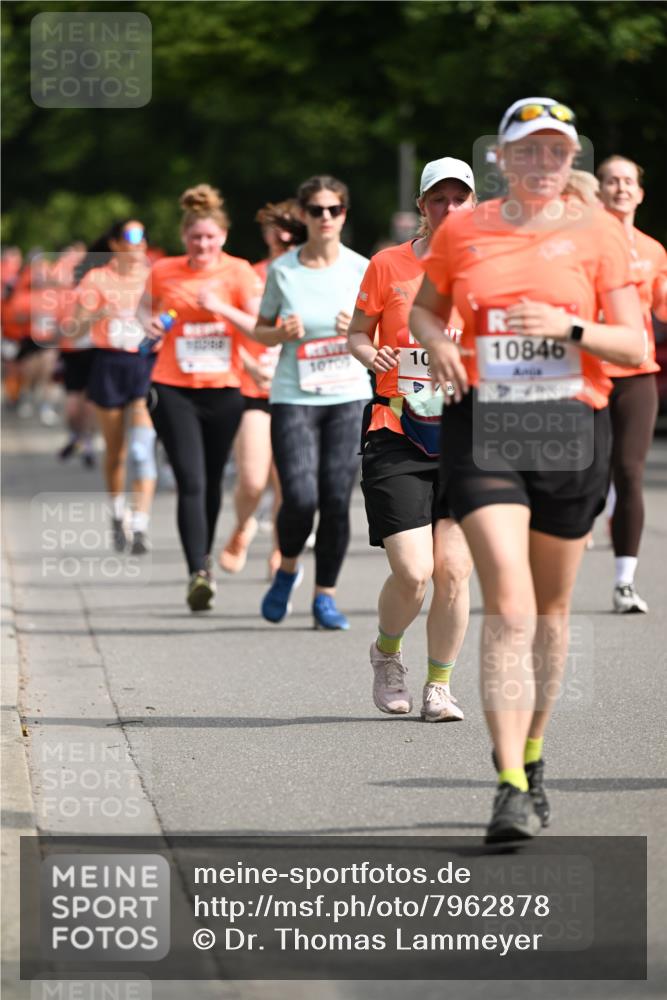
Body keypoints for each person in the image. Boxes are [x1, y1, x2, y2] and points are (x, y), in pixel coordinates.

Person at [410, 98, 644, 842]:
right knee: (507, 608)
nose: (543, 164)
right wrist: (439, 345)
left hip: (571, 428)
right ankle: (508, 782)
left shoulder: (599, 234)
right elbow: (423, 309)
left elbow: (633, 345)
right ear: (501, 159)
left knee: (549, 612)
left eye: (556, 151)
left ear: (569, 159)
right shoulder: (463, 229)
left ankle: (534, 753)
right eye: (528, 151)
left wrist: (568, 328)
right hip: (485, 424)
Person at [348, 158, 475, 722]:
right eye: (438, 199)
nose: (449, 208)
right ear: (422, 206)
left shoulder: (488, 268)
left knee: (453, 571)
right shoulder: (388, 264)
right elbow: (356, 333)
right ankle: (387, 651)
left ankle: (439, 687)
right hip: (397, 429)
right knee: (414, 571)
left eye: (459, 198)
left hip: (467, 434)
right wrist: (364, 351)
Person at [253, 175, 371, 630]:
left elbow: (385, 332)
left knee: (336, 498)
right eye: (317, 210)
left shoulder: (361, 268)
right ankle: (287, 570)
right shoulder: (283, 270)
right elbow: (259, 328)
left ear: (344, 214)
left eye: (334, 210)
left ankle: (326, 597)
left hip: (347, 393)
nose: (326, 218)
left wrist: (358, 330)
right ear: (303, 215)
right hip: (293, 395)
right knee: (300, 497)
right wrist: (278, 333)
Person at [138, 184, 263, 611]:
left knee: (211, 480)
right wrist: (150, 324)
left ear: (223, 237)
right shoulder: (164, 271)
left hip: (226, 388)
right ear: (184, 238)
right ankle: (199, 571)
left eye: (210, 237)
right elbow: (143, 310)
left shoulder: (240, 272)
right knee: (190, 479)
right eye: (196, 237)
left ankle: (204, 559)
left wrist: (221, 308)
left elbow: (259, 326)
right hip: (172, 387)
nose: (203, 244)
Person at [218, 199, 306, 578]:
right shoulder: (250, 275)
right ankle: (242, 526)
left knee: (287, 483)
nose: (283, 237)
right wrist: (249, 364)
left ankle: (279, 550)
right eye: (276, 229)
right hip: (254, 387)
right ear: (267, 233)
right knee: (253, 480)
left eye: (290, 229)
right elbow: (229, 330)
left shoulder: (313, 275)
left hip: (300, 390)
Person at [596, 155, 667, 613]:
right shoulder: (578, 245)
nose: (621, 187)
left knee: (630, 472)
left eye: (628, 181)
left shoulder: (654, 250)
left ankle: (624, 582)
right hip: (588, 373)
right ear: (597, 190)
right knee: (580, 475)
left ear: (640, 192)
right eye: (611, 181)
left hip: (637, 374)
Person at [74, 220, 157, 553]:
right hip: (109, 364)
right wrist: (100, 314)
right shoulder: (98, 278)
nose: (138, 245)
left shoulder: (155, 275)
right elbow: (71, 327)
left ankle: (140, 525)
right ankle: (117, 512)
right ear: (115, 244)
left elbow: (174, 312)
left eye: (142, 237)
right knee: (117, 452)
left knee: (141, 449)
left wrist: (161, 323)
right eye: (130, 238)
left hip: (145, 365)